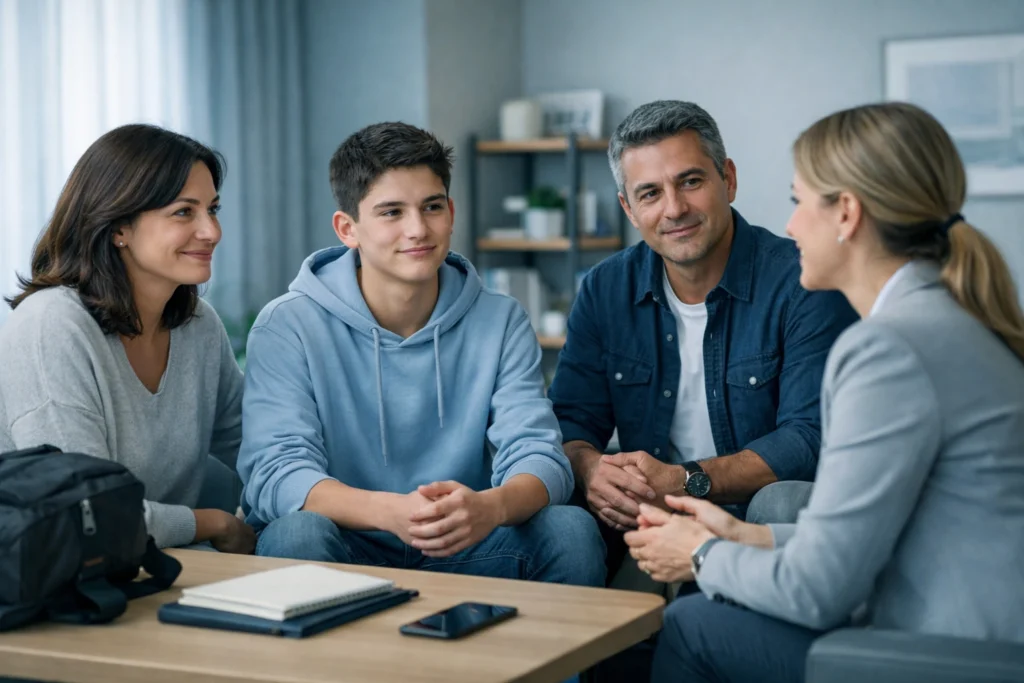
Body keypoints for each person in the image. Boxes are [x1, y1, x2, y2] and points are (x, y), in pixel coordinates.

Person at [632, 101, 1024, 683]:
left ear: (846, 213)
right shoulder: (951, 320)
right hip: (985, 640)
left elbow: (818, 592)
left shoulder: (888, 351)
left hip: (948, 657)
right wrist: (746, 534)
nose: (789, 226)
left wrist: (700, 554)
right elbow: (884, 526)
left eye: (798, 202)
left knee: (692, 624)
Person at [237, 121, 605, 586]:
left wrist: (490, 507)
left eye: (431, 207)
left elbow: (538, 454)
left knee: (569, 530)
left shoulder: (501, 320)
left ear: (450, 212)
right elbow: (275, 474)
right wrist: (391, 512)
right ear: (347, 228)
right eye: (391, 212)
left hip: (467, 540)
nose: (418, 229)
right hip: (349, 542)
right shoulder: (287, 324)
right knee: (295, 536)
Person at [547, 100, 857, 581]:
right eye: (649, 193)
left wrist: (684, 480)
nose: (674, 209)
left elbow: (808, 439)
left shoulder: (803, 281)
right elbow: (569, 421)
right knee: (561, 513)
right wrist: (590, 468)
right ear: (628, 209)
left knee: (783, 500)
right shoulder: (605, 288)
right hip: (648, 516)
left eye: (690, 181)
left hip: (756, 516)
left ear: (727, 179)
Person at [0, 124, 254, 553]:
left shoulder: (198, 325)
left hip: (156, 571)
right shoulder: (51, 326)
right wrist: (213, 523)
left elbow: (256, 446)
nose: (212, 231)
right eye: (184, 212)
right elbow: (86, 513)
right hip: (54, 585)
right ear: (119, 226)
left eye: (213, 209)